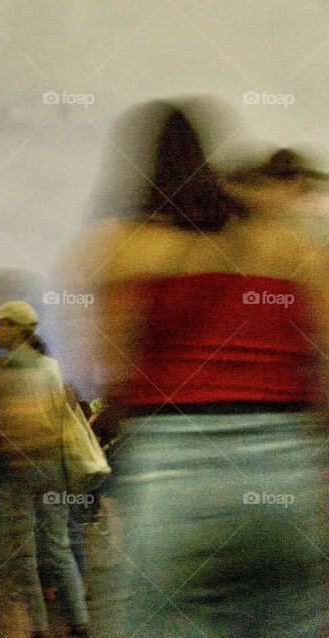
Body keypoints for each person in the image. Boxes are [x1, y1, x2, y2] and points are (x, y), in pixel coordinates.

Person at [74, 102, 329, 636]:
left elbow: (113, 375)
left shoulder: (122, 248)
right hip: (287, 475)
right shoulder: (294, 247)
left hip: (175, 474)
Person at [0, 300, 89, 637]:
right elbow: (66, 410)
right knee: (58, 546)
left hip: (12, 470)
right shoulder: (51, 367)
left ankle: (37, 627)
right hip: (51, 467)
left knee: (22, 555)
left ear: (16, 328)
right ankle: (79, 623)